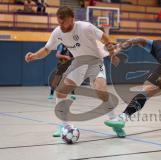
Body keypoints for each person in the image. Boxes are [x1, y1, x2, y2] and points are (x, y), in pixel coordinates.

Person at [25, 6, 119, 137]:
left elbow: (105, 37)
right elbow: (47, 49)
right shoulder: (58, 32)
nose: (61, 25)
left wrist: (112, 53)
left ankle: (114, 119)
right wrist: (34, 55)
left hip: (95, 61)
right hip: (79, 63)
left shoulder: (85, 27)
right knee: (61, 92)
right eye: (59, 22)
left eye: (64, 22)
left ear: (72, 19)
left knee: (101, 90)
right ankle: (64, 125)